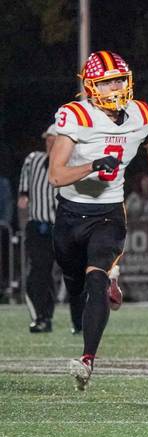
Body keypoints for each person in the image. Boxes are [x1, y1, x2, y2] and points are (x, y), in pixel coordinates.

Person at [48, 50, 148, 391]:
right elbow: (56, 175)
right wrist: (92, 165)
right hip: (70, 214)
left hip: (108, 213)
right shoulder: (76, 117)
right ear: (91, 87)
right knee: (74, 284)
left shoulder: (139, 114)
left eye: (119, 79)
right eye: (106, 82)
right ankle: (109, 280)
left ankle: (87, 360)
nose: (115, 87)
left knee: (96, 284)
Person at [18, 124, 62, 333]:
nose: (49, 143)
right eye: (48, 140)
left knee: (55, 274)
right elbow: (24, 187)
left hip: (60, 226)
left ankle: (52, 317)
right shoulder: (33, 160)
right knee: (38, 272)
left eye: (53, 140)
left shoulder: (67, 162)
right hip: (38, 226)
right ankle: (41, 317)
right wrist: (24, 196)